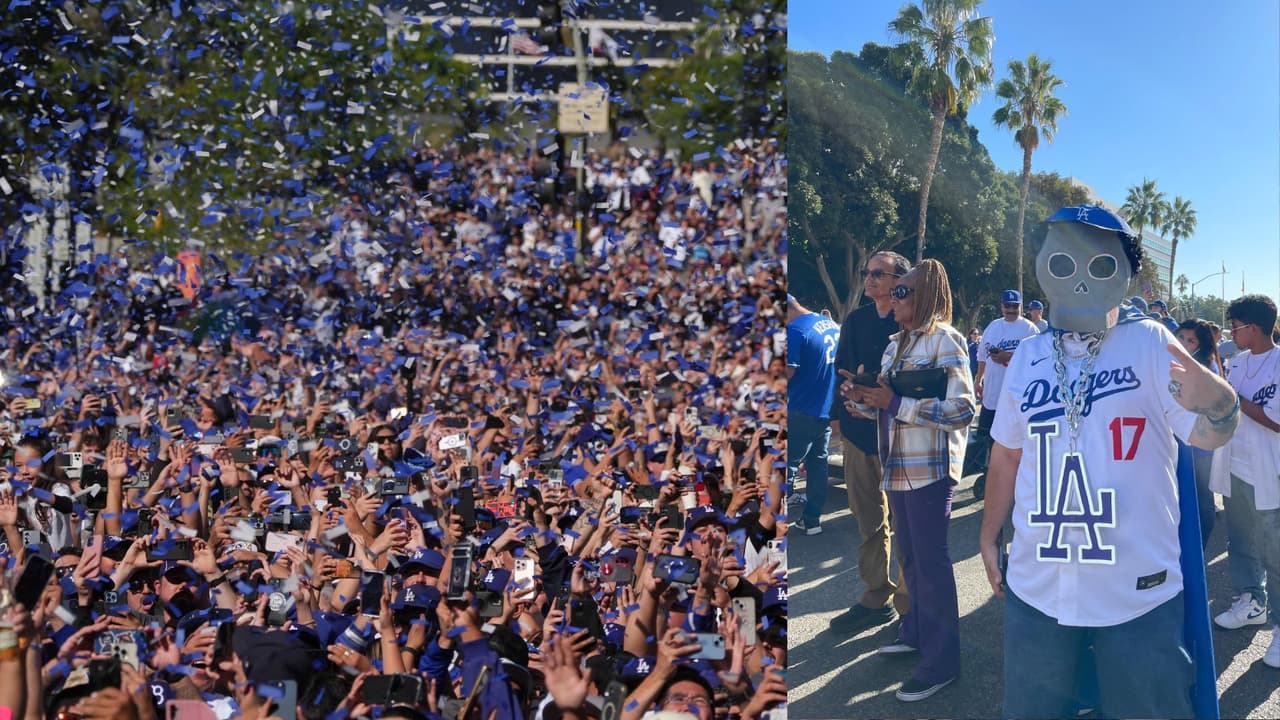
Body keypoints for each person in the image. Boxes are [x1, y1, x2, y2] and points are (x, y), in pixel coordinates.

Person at [978, 205, 1240, 719]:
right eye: (1063, 262)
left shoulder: (1149, 342)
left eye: (1098, 265)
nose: (1080, 278)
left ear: (1124, 271)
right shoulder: (1030, 355)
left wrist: (1219, 401)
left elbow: (1210, 435)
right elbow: (1008, 453)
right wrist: (988, 533)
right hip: (1039, 586)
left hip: (1137, 591)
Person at [841, 259, 974, 703]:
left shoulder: (947, 340)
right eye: (893, 291)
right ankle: (916, 633)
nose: (891, 298)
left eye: (902, 291)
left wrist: (895, 402)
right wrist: (862, 399)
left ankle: (941, 663)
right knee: (912, 561)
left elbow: (962, 412)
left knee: (931, 566)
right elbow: (887, 408)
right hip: (897, 467)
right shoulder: (895, 344)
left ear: (926, 296)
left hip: (931, 470)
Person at [830, 251, 912, 633]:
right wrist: (844, 399)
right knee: (868, 520)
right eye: (867, 272)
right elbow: (841, 366)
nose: (869, 279)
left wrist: (879, 389)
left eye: (878, 273)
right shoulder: (856, 319)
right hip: (858, 434)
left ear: (899, 279)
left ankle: (911, 606)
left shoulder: (909, 320)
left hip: (899, 435)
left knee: (906, 522)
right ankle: (876, 595)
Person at [1208, 294, 1280, 669]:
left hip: (1270, 472)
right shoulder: (1235, 363)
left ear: (1253, 326)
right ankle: (1252, 601)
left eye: (1236, 325)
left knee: (1275, 551)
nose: (1232, 331)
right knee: (1241, 542)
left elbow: (1276, 419)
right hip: (1235, 467)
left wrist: (1234, 399)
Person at [970, 290, 1039, 500]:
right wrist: (978, 379)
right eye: (1007, 306)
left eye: (1014, 306)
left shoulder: (1029, 329)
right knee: (989, 441)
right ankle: (991, 478)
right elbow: (982, 355)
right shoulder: (993, 327)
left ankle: (1019, 482)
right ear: (1001, 306)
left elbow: (1038, 359)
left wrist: (1009, 356)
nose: (1010, 310)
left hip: (1018, 399)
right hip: (992, 396)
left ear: (1021, 307)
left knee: (1018, 443)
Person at [787, 294, 842, 535]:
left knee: (786, 465)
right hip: (825, 408)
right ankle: (812, 520)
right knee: (818, 464)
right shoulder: (828, 323)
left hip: (800, 408)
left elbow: (786, 373)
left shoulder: (796, 331)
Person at [1176, 318, 1227, 548]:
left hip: (1199, 447)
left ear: (1201, 344)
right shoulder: (1172, 359)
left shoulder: (1207, 367)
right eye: (1181, 337)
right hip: (1177, 442)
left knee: (1202, 501)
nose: (1184, 343)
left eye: (1191, 340)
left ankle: (1200, 546)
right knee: (1181, 497)